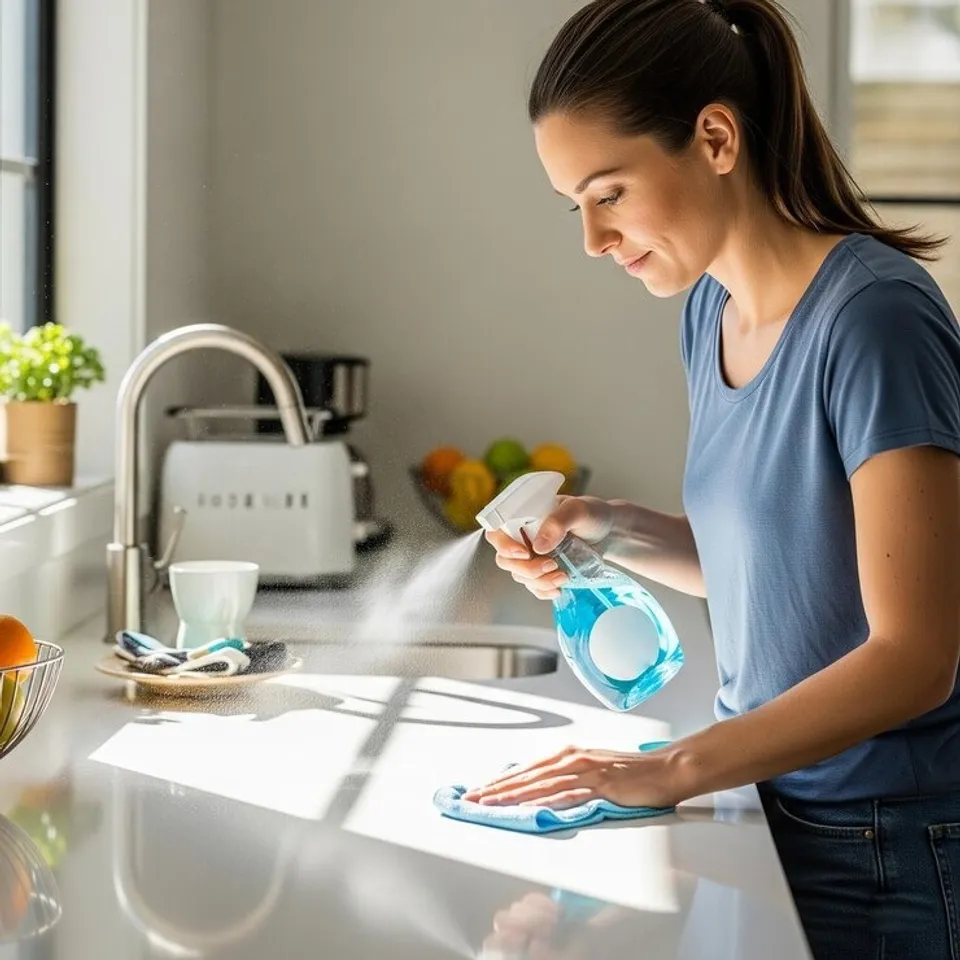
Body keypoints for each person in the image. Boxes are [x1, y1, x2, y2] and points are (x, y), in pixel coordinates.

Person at [461, 1, 960, 957]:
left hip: (885, 841)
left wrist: (672, 768)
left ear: (717, 137)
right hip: (766, 807)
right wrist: (601, 528)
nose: (593, 240)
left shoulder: (876, 321)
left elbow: (914, 653)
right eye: (577, 206)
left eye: (609, 192)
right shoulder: (709, 315)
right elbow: (782, 569)